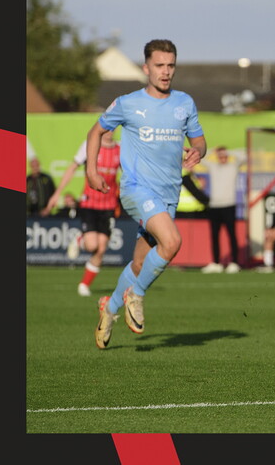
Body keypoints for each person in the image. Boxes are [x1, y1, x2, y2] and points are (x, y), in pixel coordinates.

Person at [91, 39, 207, 349]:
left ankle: (110, 307)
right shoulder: (128, 103)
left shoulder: (184, 102)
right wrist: (91, 171)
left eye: (170, 65)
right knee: (172, 242)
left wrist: (197, 152)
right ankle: (136, 295)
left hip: (168, 195)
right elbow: (96, 131)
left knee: (141, 264)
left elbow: (200, 141)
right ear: (146, 68)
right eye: (159, 65)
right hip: (136, 190)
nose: (166, 72)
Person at [44, 129, 121, 296]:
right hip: (89, 202)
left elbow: (129, 174)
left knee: (101, 249)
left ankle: (84, 285)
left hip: (108, 204)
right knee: (92, 245)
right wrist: (57, 194)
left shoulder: (120, 149)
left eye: (112, 128)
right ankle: (79, 239)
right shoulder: (90, 145)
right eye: (106, 128)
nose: (108, 132)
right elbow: (72, 168)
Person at [199, 146, 241, 274]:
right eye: (220, 156)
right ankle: (216, 262)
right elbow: (201, 158)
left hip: (229, 205)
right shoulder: (213, 166)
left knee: (231, 234)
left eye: (224, 155)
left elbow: (243, 156)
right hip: (214, 206)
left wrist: (228, 151)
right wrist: (213, 151)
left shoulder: (232, 166)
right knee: (215, 235)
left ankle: (234, 262)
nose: (222, 158)